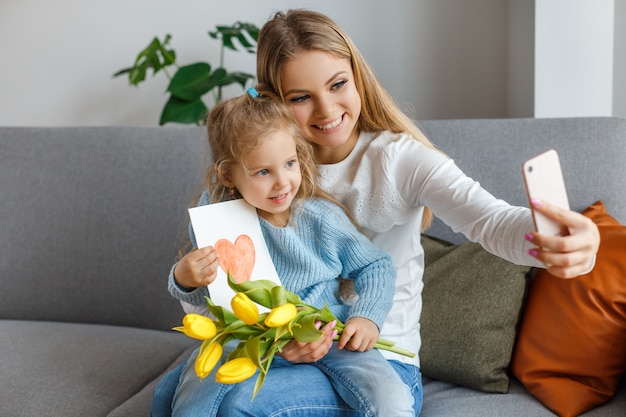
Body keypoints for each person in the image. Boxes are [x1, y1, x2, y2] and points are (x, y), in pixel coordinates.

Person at [152, 9, 600, 416]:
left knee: (235, 407)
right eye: (301, 97)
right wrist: (272, 338)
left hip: (378, 358)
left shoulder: (398, 160)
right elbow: (223, 286)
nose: (328, 111)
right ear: (274, 102)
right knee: (187, 398)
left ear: (357, 77)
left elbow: (488, 220)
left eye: (337, 84)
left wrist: (555, 240)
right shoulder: (255, 173)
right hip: (279, 352)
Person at [167, 86, 415, 417]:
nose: (282, 182)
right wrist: (185, 279)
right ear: (229, 175)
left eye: (289, 163)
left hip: (326, 333)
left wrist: (366, 316)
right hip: (249, 339)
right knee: (183, 399)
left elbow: (376, 266)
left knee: (389, 398)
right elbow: (211, 297)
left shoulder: (318, 219)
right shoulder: (219, 221)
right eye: (263, 172)